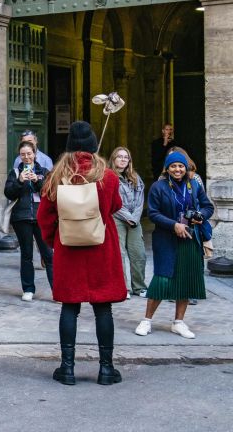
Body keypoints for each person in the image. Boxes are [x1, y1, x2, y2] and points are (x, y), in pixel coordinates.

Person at [37, 121, 126, 386]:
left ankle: (67, 368)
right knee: (103, 309)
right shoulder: (107, 176)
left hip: (69, 248)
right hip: (101, 248)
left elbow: (44, 217)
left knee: (69, 307)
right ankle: (106, 369)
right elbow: (115, 206)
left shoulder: (55, 176)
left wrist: (56, 239)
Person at [135, 151, 213, 339]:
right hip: (166, 240)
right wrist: (174, 225)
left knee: (186, 279)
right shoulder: (158, 187)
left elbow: (207, 206)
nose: (177, 169)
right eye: (173, 166)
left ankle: (178, 322)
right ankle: (146, 320)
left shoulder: (193, 185)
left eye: (180, 166)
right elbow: (153, 213)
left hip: (190, 239)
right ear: (167, 168)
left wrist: (199, 216)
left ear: (185, 167)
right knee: (162, 279)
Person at [4, 140, 53, 302]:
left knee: (48, 255)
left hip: (41, 217)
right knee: (26, 255)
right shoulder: (14, 172)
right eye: (23, 154)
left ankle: (57, 290)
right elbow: (9, 193)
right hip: (22, 217)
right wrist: (19, 181)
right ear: (20, 155)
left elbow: (50, 192)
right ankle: (28, 289)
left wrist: (37, 181)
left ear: (34, 154)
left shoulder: (44, 171)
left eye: (29, 154)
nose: (26, 157)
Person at [110, 146, 147, 299]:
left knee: (138, 253)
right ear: (114, 159)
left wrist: (135, 217)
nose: (123, 159)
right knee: (119, 254)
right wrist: (128, 217)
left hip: (134, 219)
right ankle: (122, 288)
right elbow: (113, 201)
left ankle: (139, 287)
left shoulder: (135, 177)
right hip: (117, 218)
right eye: (120, 156)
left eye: (126, 157)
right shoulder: (109, 177)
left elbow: (140, 200)